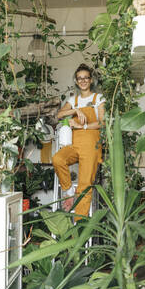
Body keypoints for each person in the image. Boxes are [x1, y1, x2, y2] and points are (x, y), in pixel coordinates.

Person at [52, 63, 105, 220]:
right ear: (76, 81)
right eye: (79, 78)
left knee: (84, 186)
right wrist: (75, 110)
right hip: (74, 144)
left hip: (91, 146)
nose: (83, 81)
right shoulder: (73, 100)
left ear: (90, 80)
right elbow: (59, 115)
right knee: (58, 159)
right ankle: (68, 191)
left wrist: (84, 125)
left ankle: (80, 227)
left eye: (86, 78)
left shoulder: (98, 98)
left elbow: (102, 122)